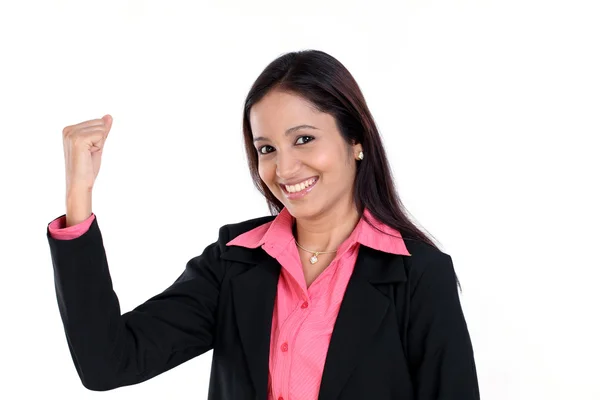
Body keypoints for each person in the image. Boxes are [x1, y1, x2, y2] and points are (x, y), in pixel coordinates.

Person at [47, 49, 480, 400]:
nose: (285, 167)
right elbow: (108, 363)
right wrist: (78, 196)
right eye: (267, 148)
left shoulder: (419, 274)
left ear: (356, 140)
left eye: (304, 139)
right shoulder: (234, 260)